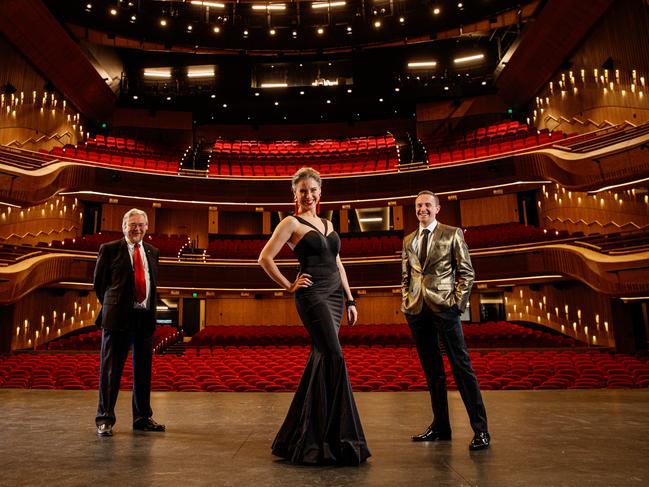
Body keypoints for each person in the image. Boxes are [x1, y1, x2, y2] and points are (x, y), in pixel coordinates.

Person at [258, 167, 371, 465]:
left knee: (322, 357)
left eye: (313, 190)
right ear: (294, 195)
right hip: (311, 295)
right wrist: (289, 285)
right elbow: (265, 258)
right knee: (334, 356)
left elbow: (338, 262)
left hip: (335, 295)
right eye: (302, 191)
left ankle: (304, 438)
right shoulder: (290, 222)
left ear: (321, 192)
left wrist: (350, 300)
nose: (308, 195)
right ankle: (338, 440)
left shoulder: (327, 222)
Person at [401, 191, 490, 451]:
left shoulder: (452, 233)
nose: (423, 209)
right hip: (417, 310)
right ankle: (441, 426)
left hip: (445, 309)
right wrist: (407, 301)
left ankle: (481, 430)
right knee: (433, 373)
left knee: (461, 368)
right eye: (419, 205)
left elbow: (466, 272)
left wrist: (456, 305)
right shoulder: (408, 240)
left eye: (428, 205)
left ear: (437, 208)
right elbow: (406, 275)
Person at [94, 208, 165, 436]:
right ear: (124, 226)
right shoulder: (109, 249)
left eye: (141, 225)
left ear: (147, 227)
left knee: (143, 372)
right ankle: (105, 419)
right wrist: (112, 307)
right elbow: (100, 284)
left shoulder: (153, 251)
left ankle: (143, 418)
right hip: (117, 320)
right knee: (111, 371)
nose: (137, 229)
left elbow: (151, 283)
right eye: (132, 225)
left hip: (144, 318)